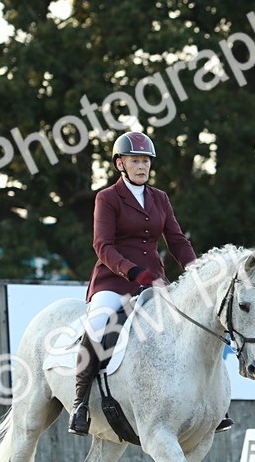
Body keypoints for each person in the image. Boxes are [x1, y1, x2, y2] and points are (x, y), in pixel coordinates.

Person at [69, 130, 234, 436]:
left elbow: (177, 240)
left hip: (155, 281)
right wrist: (131, 271)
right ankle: (80, 403)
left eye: (146, 161)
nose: (142, 166)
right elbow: (102, 246)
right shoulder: (107, 198)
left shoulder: (160, 198)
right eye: (135, 160)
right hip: (114, 281)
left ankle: (213, 405)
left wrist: (197, 272)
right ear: (120, 163)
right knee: (98, 325)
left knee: (193, 326)